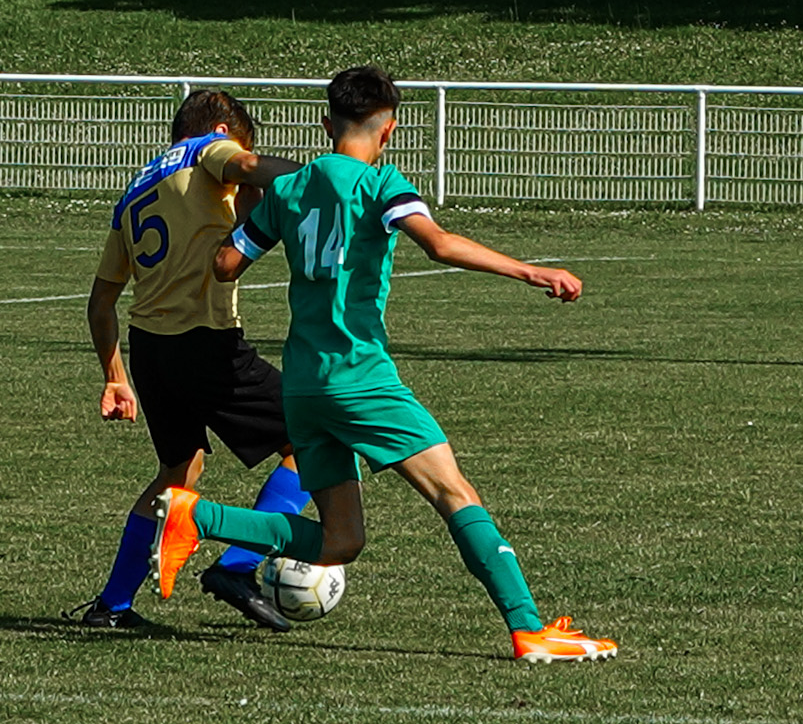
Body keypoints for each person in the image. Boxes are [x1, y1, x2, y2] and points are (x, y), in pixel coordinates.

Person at [149, 66, 617, 663]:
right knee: (455, 492)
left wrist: (255, 212)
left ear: (327, 124)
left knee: (342, 540)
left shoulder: (291, 189)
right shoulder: (381, 183)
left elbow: (224, 265)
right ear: (388, 129)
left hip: (304, 386)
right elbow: (440, 244)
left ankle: (196, 513)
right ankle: (528, 628)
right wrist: (533, 270)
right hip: (360, 377)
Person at [69, 88, 312, 632]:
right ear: (222, 130)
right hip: (205, 343)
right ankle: (239, 565)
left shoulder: (135, 188)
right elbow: (248, 165)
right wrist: (327, 178)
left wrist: (115, 377)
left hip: (150, 349)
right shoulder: (211, 149)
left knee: (179, 471)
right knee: (311, 444)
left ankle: (111, 606)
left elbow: (101, 301)